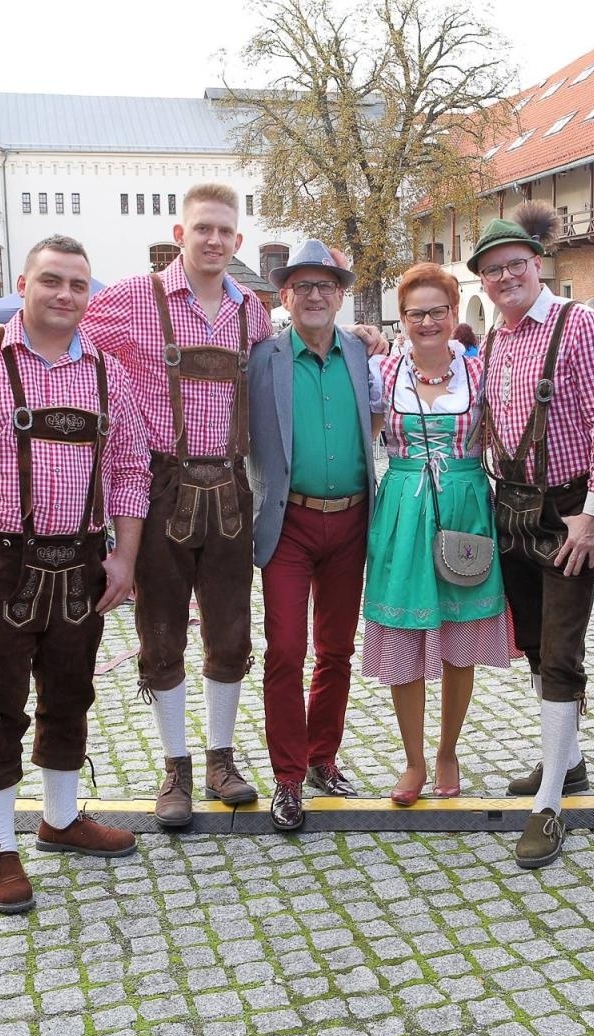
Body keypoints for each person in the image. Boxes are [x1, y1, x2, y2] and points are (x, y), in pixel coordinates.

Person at [0, 185, 386, 829]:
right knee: (161, 633)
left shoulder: (253, 317)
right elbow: (51, 316)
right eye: (202, 228)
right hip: (160, 488)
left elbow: (310, 339)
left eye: (224, 231)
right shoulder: (127, 299)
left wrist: (360, 335)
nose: (213, 240)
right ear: (181, 234)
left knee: (231, 631)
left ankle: (221, 758)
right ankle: (174, 766)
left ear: (237, 241)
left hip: (231, 489)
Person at [0, 235, 150, 914]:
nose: (65, 295)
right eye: (52, 280)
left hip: (79, 559)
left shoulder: (109, 372)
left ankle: (60, 817)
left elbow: (132, 471)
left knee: (71, 695)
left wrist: (125, 557)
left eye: (78, 284)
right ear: (23, 283)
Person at [467, 201, 594, 870]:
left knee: (561, 650)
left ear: (537, 265)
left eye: (513, 266)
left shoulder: (578, 324)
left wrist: (593, 514)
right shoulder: (498, 337)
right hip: (511, 510)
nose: (504, 278)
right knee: (533, 641)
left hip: (565, 511)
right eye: (491, 272)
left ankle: (551, 803)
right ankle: (572, 763)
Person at [364, 262, 511, 808]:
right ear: (401, 319)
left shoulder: (481, 373)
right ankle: (414, 759)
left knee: (458, 640)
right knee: (405, 636)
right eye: (415, 313)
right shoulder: (383, 374)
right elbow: (360, 433)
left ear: (454, 314)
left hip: (465, 509)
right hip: (403, 509)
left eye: (437, 311)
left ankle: (448, 749)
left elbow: (509, 432)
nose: (427, 322)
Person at [245, 241, 378, 830]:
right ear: (285, 296)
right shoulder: (262, 359)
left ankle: (323, 758)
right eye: (304, 286)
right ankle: (288, 777)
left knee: (337, 651)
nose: (316, 295)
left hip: (351, 522)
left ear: (342, 295)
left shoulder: (364, 353)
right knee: (287, 652)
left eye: (327, 285)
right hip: (289, 522)